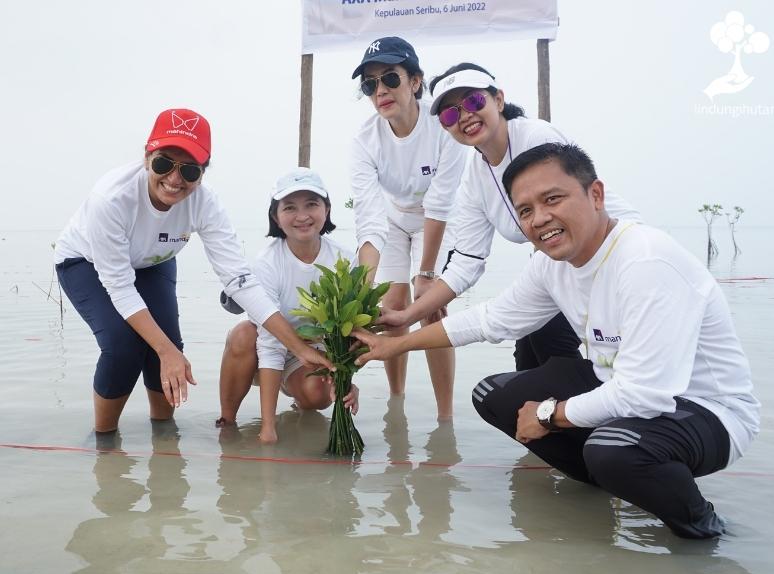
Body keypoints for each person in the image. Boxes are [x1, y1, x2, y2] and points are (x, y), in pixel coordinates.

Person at [353, 143, 760, 538]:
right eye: (526, 210)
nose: (540, 218)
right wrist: (395, 344)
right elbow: (492, 318)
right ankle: (605, 480)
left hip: (705, 411)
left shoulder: (645, 260)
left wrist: (550, 413)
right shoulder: (552, 265)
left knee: (612, 449)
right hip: (618, 388)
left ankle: (701, 527)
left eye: (553, 199)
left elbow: (644, 396)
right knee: (493, 395)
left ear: (595, 194)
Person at [54, 108, 331, 434]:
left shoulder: (204, 203)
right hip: (85, 261)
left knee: (169, 344)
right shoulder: (111, 199)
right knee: (123, 346)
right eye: (163, 163)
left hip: (153, 262)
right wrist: (165, 350)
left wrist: (298, 348)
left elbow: (239, 280)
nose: (174, 179)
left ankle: (164, 435)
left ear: (202, 173)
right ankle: (104, 439)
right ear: (146, 158)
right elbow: (120, 286)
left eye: (189, 170)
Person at [378, 63, 642, 372]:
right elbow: (467, 260)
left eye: (474, 102)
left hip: (613, 257)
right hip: (561, 265)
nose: (464, 117)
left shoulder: (537, 138)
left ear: (499, 100)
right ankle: (565, 413)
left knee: (550, 347)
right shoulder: (476, 175)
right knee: (527, 357)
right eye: (450, 115)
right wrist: (406, 316)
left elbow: (581, 211)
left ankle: (581, 411)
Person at [349, 36, 468, 419]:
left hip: (438, 220)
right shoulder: (364, 141)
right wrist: (358, 295)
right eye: (370, 84)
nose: (380, 90)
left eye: (390, 78)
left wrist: (428, 275)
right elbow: (368, 217)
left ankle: (445, 416)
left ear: (415, 81)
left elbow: (441, 202)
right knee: (391, 307)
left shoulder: (443, 123)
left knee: (431, 308)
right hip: (394, 219)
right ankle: (395, 401)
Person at [216, 168, 358, 444]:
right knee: (244, 333)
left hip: (311, 350)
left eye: (312, 205)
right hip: (266, 348)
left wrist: (348, 383)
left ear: (327, 210)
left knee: (317, 395)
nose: (302, 216)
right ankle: (227, 421)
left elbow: (348, 336)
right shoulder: (266, 263)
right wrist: (268, 429)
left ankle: (297, 398)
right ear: (276, 217)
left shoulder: (345, 259)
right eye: (290, 207)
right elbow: (270, 344)